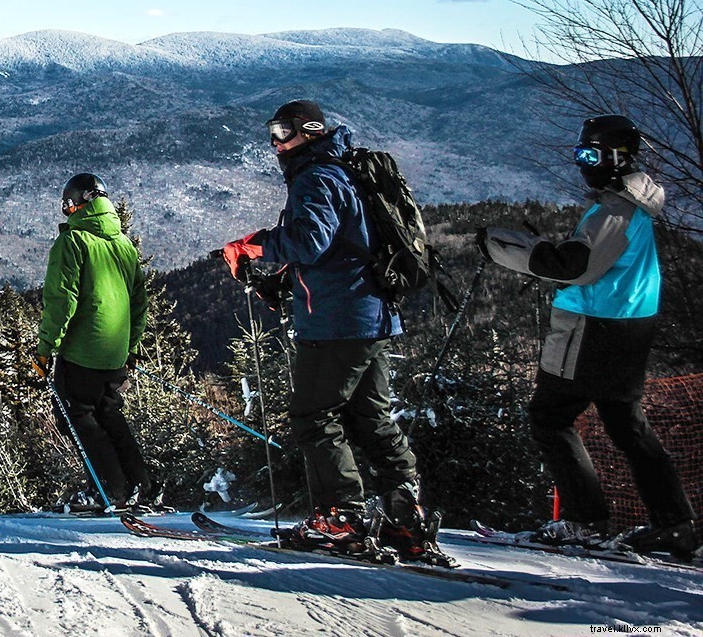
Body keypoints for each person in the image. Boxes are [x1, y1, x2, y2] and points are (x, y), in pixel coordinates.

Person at [223, 99, 447, 564]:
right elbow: (342, 249)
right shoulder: (342, 170)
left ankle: (339, 518)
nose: (276, 142)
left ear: (309, 131)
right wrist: (283, 283)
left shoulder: (317, 176)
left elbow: (310, 240)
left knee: (314, 417)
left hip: (337, 322)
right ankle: (408, 519)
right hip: (370, 317)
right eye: (272, 131)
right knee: (371, 419)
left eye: (283, 131)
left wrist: (255, 245)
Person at [478, 114, 696, 558]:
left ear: (616, 158)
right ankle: (675, 523)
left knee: (550, 417)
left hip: (594, 328)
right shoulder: (632, 203)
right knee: (627, 424)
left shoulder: (616, 208)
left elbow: (573, 265)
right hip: (630, 324)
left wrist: (500, 244)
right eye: (580, 153)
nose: (582, 163)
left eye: (589, 154)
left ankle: (583, 520)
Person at [35, 173, 151, 508]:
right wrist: (131, 348)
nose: (66, 212)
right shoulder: (124, 244)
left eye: (67, 205)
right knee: (109, 414)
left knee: (78, 417)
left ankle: (107, 491)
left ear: (76, 203)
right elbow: (139, 301)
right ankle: (140, 485)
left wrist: (45, 350)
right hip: (116, 354)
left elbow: (62, 301)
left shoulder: (73, 242)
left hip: (82, 352)